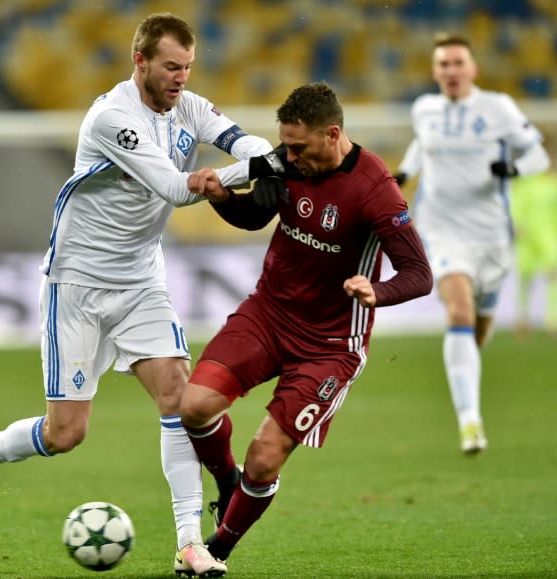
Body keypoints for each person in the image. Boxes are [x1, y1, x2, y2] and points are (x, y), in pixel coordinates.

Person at [0, 12, 272, 578]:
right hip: (76, 284)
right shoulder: (111, 118)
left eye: (188, 68)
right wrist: (237, 174)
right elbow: (174, 188)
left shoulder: (189, 107)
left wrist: (250, 163)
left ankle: (190, 543)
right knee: (65, 433)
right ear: (140, 61)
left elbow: (253, 143)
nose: (180, 79)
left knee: (177, 396)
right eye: (171, 67)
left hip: (141, 281)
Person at [178, 82, 433, 568]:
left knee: (265, 458)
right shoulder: (287, 158)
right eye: (285, 145)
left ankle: (218, 549)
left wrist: (377, 291)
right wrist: (221, 197)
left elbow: (420, 274)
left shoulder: (376, 189)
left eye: (298, 147)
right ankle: (225, 480)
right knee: (194, 405)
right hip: (268, 313)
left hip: (331, 344)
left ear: (332, 133)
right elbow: (256, 214)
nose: (289, 156)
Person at [394, 32, 550, 454]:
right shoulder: (424, 109)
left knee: (478, 326)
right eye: (443, 64)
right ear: (435, 72)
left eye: (457, 63)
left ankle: (465, 379)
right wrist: (402, 177)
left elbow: (539, 156)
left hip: (492, 237)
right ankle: (470, 423)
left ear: (473, 69)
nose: (451, 71)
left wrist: (512, 169)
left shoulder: (497, 108)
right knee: (459, 310)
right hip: (441, 230)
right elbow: (421, 148)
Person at [510, 169, 557, 337]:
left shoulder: (555, 184)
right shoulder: (523, 184)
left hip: (551, 239)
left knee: (553, 278)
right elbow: (516, 208)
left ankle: (553, 322)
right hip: (526, 240)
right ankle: (522, 319)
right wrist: (516, 225)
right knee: (525, 280)